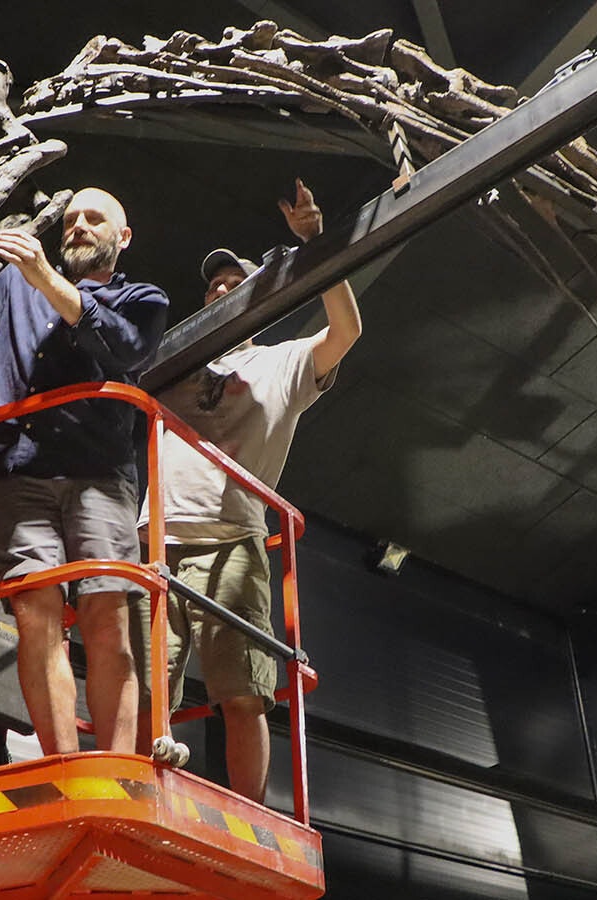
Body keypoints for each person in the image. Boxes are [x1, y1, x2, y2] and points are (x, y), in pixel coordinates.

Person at [136, 179, 361, 801]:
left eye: (236, 284)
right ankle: (137, 795)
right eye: (214, 286)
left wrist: (316, 247)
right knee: (143, 689)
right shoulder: (175, 362)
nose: (223, 292)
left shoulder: (280, 362)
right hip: (155, 544)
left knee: (241, 691)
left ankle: (250, 814)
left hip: (231, 541)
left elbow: (346, 331)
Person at [0, 187, 169, 756]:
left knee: (107, 616)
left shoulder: (143, 297)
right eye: (71, 218)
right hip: (17, 469)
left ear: (122, 238)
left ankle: (115, 771)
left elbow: (126, 350)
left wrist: (45, 278)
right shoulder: (10, 283)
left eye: (94, 218)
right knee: (35, 614)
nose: (78, 225)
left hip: (98, 472)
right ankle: (62, 767)